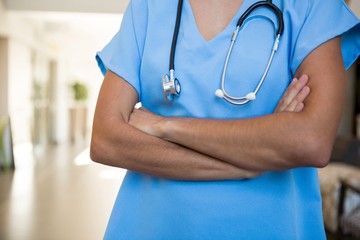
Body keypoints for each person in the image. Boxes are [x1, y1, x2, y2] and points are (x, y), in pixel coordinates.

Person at [91, 0, 360, 239]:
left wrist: (165, 125)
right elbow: (106, 140)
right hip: (150, 226)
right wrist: (249, 164)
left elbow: (310, 141)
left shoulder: (310, 5)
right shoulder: (148, 7)